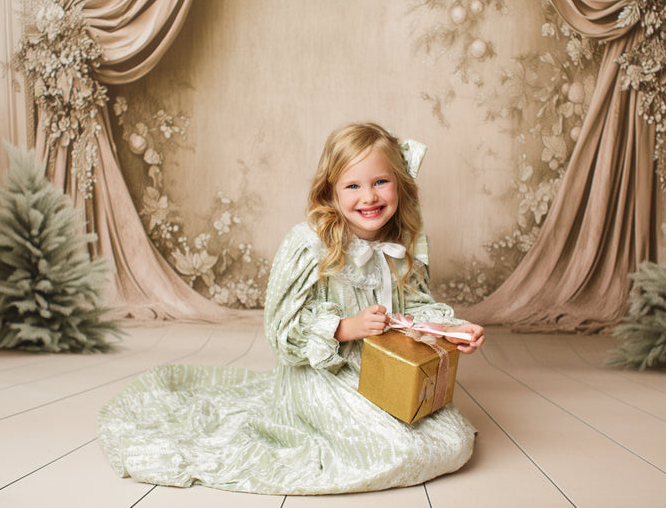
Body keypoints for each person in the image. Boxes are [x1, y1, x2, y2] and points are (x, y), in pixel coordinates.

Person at [97, 122, 486, 495]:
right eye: (353, 185)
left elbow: (415, 305)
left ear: (399, 185)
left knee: (452, 439)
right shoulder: (309, 245)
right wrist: (346, 327)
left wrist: (451, 330)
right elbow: (281, 331)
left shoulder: (403, 245)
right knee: (403, 450)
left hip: (384, 369)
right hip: (324, 375)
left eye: (380, 182)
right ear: (331, 191)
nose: (369, 197)